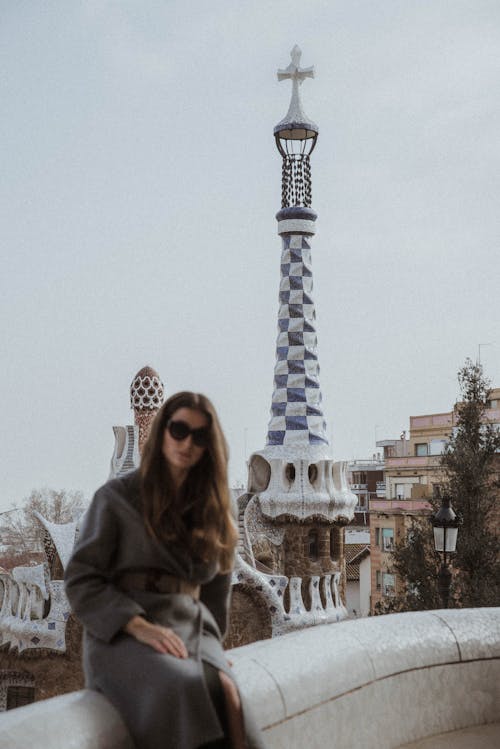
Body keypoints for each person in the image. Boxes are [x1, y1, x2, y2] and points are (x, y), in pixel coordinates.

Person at [64, 391, 265, 749]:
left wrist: (213, 648)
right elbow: (81, 578)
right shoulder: (116, 498)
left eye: (199, 436)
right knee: (185, 687)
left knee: (230, 696)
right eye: (179, 429)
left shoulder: (217, 506)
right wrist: (138, 625)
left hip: (189, 625)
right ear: (162, 432)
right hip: (123, 634)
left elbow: (218, 589)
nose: (187, 442)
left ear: (210, 446)